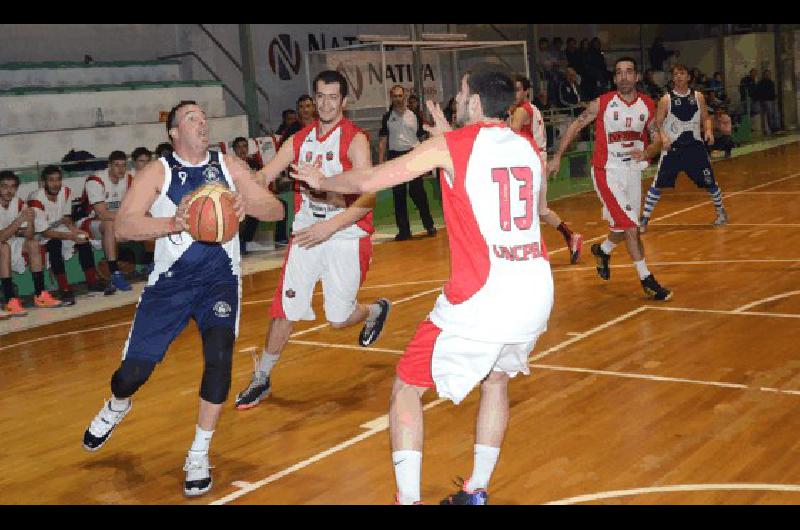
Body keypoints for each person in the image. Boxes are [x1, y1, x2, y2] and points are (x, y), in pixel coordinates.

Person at [295, 67, 554, 506]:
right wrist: (449, 137)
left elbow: (366, 181)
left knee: (406, 387)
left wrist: (320, 181)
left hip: (483, 295)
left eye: (462, 92)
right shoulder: (527, 145)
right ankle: (475, 491)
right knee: (495, 381)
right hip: (535, 288)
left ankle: (409, 499)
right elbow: (501, 175)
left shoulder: (449, 146)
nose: (456, 97)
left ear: (474, 103)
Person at [81, 100, 285, 497]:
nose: (202, 123)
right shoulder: (157, 171)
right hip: (170, 284)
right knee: (131, 375)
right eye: (192, 119)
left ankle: (198, 452)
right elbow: (123, 225)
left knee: (220, 357)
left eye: (204, 118)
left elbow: (276, 209)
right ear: (174, 132)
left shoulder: (228, 166)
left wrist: (247, 205)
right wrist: (174, 222)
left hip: (218, 280)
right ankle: (118, 403)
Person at [233, 70, 392, 410]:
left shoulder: (356, 139)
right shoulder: (300, 140)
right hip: (307, 230)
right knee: (286, 308)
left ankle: (375, 309)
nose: (325, 103)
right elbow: (265, 175)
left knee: (337, 319)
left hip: (347, 232)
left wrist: (330, 226)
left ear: (344, 101)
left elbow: (368, 199)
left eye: (332, 96)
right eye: (320, 96)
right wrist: (240, 181)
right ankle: (262, 376)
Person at [547, 57, 672, 301]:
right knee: (631, 227)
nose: (624, 76)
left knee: (623, 226)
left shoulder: (647, 104)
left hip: (633, 171)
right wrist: (558, 156)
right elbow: (575, 125)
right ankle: (647, 279)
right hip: (607, 171)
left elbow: (659, 138)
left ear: (636, 77)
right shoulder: (602, 103)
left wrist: (648, 151)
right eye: (619, 73)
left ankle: (602, 250)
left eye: (629, 72)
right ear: (614, 78)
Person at [639, 63, 729, 232]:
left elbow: (706, 117)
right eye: (675, 74)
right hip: (673, 149)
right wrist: (664, 137)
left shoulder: (698, 97)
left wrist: (708, 131)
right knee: (657, 184)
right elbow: (657, 123)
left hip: (695, 148)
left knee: (710, 182)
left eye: (682, 73)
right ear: (673, 78)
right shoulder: (666, 99)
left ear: (688, 77)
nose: (679, 77)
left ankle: (721, 212)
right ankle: (644, 219)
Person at [511, 76, 583, 264]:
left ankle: (533, 252)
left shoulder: (521, 111)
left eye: (518, 89)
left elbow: (510, 134)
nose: (515, 93)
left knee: (524, 211)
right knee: (540, 210)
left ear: (526, 91)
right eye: (513, 89)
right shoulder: (532, 108)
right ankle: (571, 237)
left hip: (530, 163)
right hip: (536, 160)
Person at [28, 165, 106, 304]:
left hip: (61, 228)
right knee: (54, 244)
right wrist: (71, 236)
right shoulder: (36, 198)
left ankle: (92, 282)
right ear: (43, 182)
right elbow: (45, 232)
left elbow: (66, 219)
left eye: (58, 179)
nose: (55, 184)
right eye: (51, 180)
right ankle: (64, 288)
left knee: (83, 239)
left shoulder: (65, 192)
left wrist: (76, 231)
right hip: (39, 234)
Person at [1, 170, 64, 317]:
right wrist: (19, 221)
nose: (9, 190)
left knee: (33, 243)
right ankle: (10, 300)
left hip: (10, 240)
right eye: (4, 186)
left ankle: (40, 294)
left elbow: (29, 235)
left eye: (12, 187)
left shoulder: (18, 203)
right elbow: (1, 237)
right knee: (3, 247)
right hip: (3, 243)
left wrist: (29, 222)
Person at [379, 85, 436, 241]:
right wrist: (381, 162)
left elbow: (423, 138)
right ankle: (404, 231)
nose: (398, 99)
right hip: (395, 157)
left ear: (404, 97)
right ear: (391, 97)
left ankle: (429, 225)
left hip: (413, 155)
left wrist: (426, 160)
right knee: (399, 195)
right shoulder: (387, 117)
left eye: (400, 96)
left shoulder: (414, 115)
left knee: (418, 193)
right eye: (394, 96)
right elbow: (383, 140)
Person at [77, 150, 134, 294]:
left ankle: (154, 264)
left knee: (149, 215)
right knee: (109, 223)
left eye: (123, 165)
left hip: (117, 220)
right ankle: (115, 272)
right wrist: (129, 217)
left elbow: (134, 206)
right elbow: (101, 213)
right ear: (109, 166)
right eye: (117, 165)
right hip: (89, 222)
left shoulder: (128, 179)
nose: (121, 169)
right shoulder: (95, 180)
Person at [756, 69, 780, 135]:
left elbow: (772, 91)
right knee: (770, 114)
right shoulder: (761, 83)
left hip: (772, 99)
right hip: (766, 100)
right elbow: (760, 92)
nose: (768, 75)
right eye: (766, 74)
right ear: (764, 75)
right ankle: (772, 128)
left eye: (769, 74)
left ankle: (777, 127)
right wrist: (763, 99)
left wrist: (774, 96)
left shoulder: (771, 82)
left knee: (776, 114)